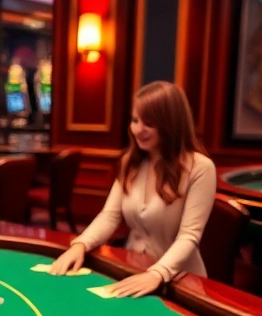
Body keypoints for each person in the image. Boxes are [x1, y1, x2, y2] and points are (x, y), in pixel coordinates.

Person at [49, 81, 216, 297]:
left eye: (149, 123)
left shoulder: (200, 168)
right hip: (134, 270)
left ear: (170, 124)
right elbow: (109, 216)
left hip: (181, 281)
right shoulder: (131, 162)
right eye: (135, 120)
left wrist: (158, 273)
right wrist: (81, 244)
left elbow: (189, 236)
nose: (138, 130)